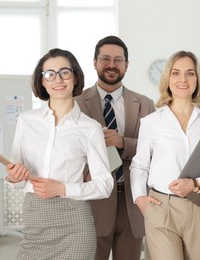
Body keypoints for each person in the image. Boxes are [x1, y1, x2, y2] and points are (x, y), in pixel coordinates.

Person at [5, 48, 114, 260]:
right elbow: (16, 177)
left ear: (75, 77)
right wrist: (13, 176)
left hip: (74, 223)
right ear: (43, 82)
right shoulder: (26, 121)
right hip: (34, 219)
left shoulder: (89, 128)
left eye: (65, 72)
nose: (58, 79)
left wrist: (62, 188)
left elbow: (104, 184)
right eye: (50, 74)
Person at [130, 50, 200, 260]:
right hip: (161, 207)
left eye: (190, 73)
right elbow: (139, 165)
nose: (183, 79)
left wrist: (196, 184)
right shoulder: (152, 122)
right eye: (176, 73)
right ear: (167, 79)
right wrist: (139, 198)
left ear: (197, 79)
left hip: (199, 207)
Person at [75, 35, 155, 260]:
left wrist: (123, 142)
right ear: (94, 62)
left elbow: (156, 150)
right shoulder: (76, 104)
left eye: (118, 60)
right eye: (105, 59)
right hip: (92, 202)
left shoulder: (145, 104)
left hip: (131, 201)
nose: (112, 65)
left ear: (127, 65)